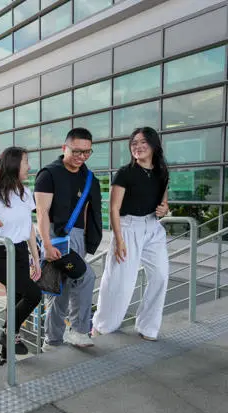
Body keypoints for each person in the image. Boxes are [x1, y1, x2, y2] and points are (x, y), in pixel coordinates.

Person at [92, 127, 169, 340]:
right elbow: (113, 208)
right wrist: (119, 240)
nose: (138, 146)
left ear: (153, 145)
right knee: (120, 281)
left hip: (153, 227)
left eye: (143, 142)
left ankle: (147, 327)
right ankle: (102, 326)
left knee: (161, 276)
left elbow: (164, 203)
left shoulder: (162, 172)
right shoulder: (125, 173)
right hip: (128, 227)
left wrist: (164, 209)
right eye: (134, 143)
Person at [34, 128, 103, 351]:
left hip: (78, 238)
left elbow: (89, 211)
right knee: (81, 279)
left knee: (68, 286)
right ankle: (75, 332)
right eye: (76, 151)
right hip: (55, 237)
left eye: (87, 152)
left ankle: (52, 341)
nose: (81, 157)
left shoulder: (89, 178)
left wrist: (88, 240)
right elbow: (42, 212)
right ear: (64, 148)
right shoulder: (49, 174)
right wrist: (46, 244)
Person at [0, 146, 42, 364]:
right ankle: (8, 334)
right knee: (34, 294)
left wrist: (36, 259)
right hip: (1, 255)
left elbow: (29, 228)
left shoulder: (26, 193)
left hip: (21, 252)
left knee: (15, 300)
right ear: (14, 165)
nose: (29, 166)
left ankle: (5, 357)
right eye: (26, 162)